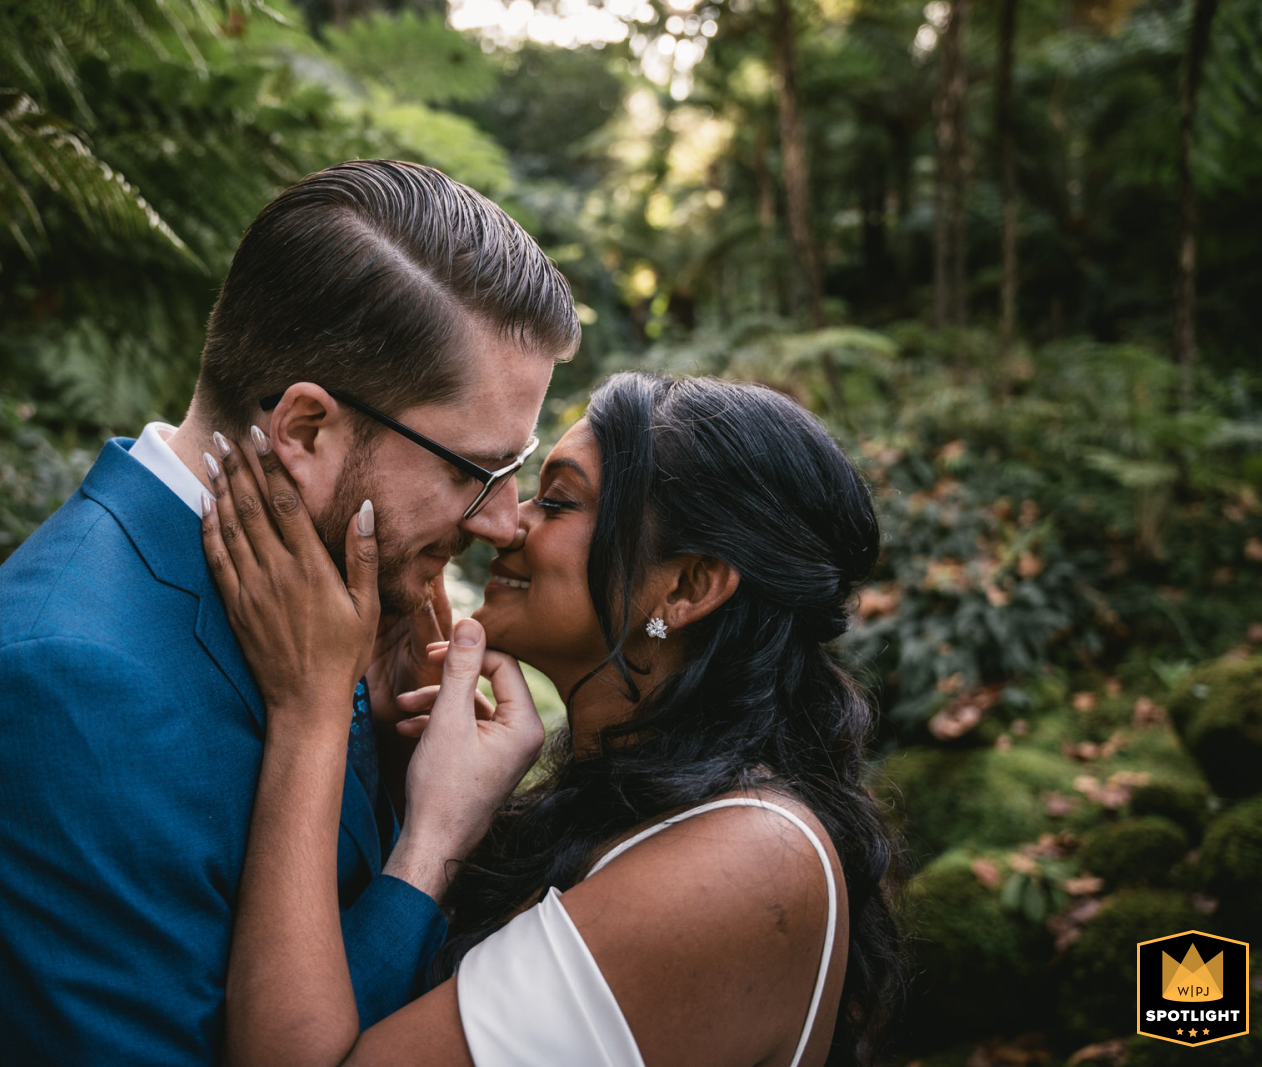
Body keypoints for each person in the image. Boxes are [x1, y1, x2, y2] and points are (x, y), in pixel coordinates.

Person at [0, 159, 579, 1064]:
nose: (500, 519)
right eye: (471, 470)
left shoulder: (342, 600)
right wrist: (431, 846)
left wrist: (408, 776)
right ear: (307, 431)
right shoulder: (55, 690)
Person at [203, 371, 906, 1067]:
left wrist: (313, 710)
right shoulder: (642, 812)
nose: (506, 524)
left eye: (558, 501)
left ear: (688, 584)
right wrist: (400, 766)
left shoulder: (748, 861)